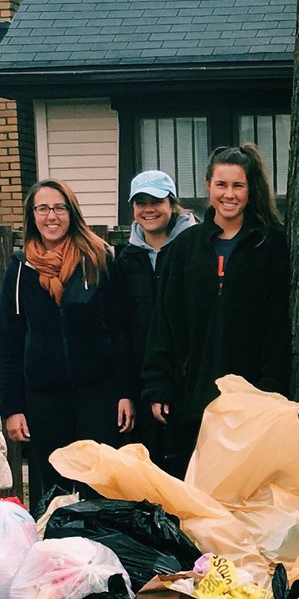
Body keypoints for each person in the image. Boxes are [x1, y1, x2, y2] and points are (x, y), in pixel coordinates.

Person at [141, 143, 291, 477]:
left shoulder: (271, 245)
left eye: (238, 185)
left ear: (250, 190)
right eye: (221, 185)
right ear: (208, 185)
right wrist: (159, 386)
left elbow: (278, 325)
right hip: (193, 400)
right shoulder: (184, 248)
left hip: (251, 402)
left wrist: (270, 390)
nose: (229, 194)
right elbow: (164, 323)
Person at [0, 179, 135, 497]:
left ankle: (100, 549)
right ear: (32, 215)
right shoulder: (20, 270)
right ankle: (57, 548)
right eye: (43, 208)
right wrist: (12, 408)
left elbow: (120, 331)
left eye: (59, 207)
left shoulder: (98, 259)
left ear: (71, 212)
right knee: (55, 492)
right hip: (44, 402)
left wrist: (126, 392)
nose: (51, 216)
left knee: (99, 490)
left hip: (98, 397)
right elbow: (9, 343)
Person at [109, 171, 197, 468]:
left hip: (189, 382)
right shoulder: (126, 260)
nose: (149, 209)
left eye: (156, 201)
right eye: (141, 202)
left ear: (172, 203)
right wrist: (126, 392)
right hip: (143, 385)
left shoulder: (195, 248)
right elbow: (120, 330)